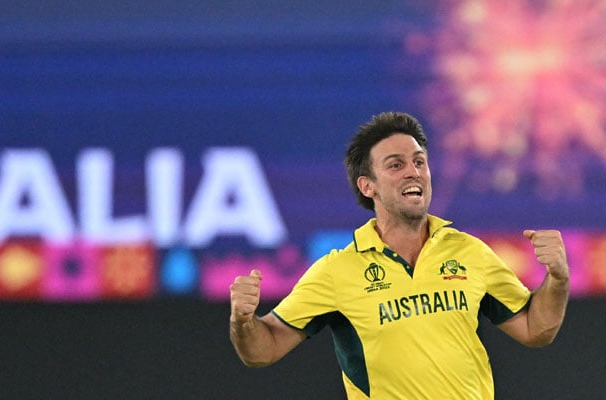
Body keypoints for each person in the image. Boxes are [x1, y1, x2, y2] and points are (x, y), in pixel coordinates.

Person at [230, 111, 569, 399]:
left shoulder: (469, 252)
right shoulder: (337, 271)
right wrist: (243, 322)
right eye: (396, 165)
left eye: (419, 161)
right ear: (368, 186)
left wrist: (557, 279)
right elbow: (264, 349)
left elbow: (535, 329)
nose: (413, 171)